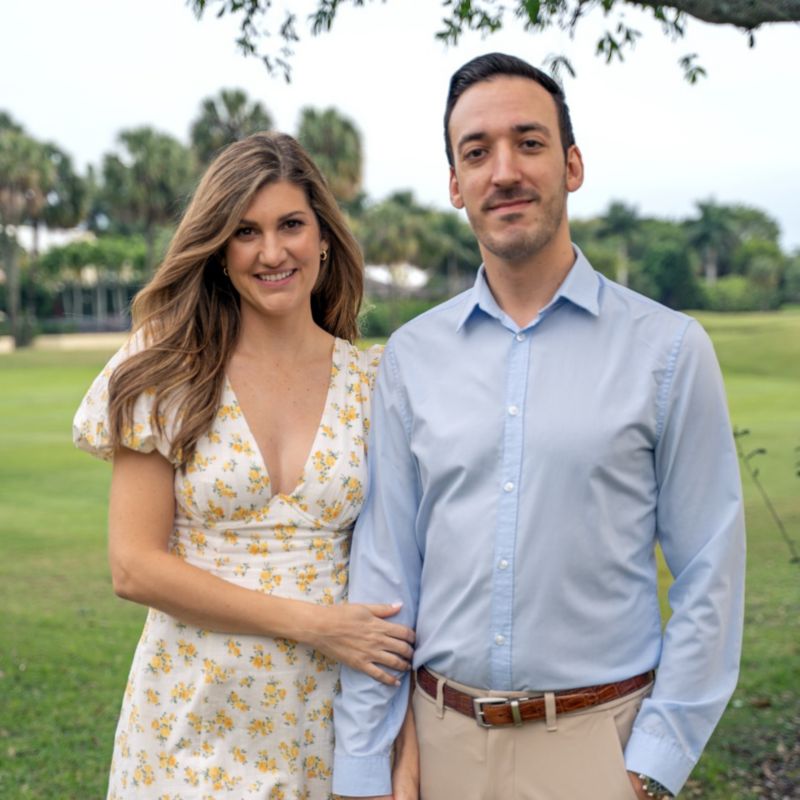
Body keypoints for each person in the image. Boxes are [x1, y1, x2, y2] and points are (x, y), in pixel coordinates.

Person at [332, 53, 746, 800]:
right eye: (477, 152)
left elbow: (710, 572)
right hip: (438, 747)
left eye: (529, 142)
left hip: (599, 751)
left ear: (572, 164)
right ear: (455, 184)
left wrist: (649, 771)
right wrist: (366, 765)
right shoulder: (411, 359)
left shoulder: (669, 351)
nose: (505, 172)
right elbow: (385, 575)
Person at [72, 131, 416, 800]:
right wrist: (317, 624)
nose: (271, 252)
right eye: (245, 232)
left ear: (323, 237)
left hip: (327, 727)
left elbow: (404, 566)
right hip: (186, 723)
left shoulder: (372, 383)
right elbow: (133, 566)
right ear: (219, 251)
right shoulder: (168, 369)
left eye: (291, 225)